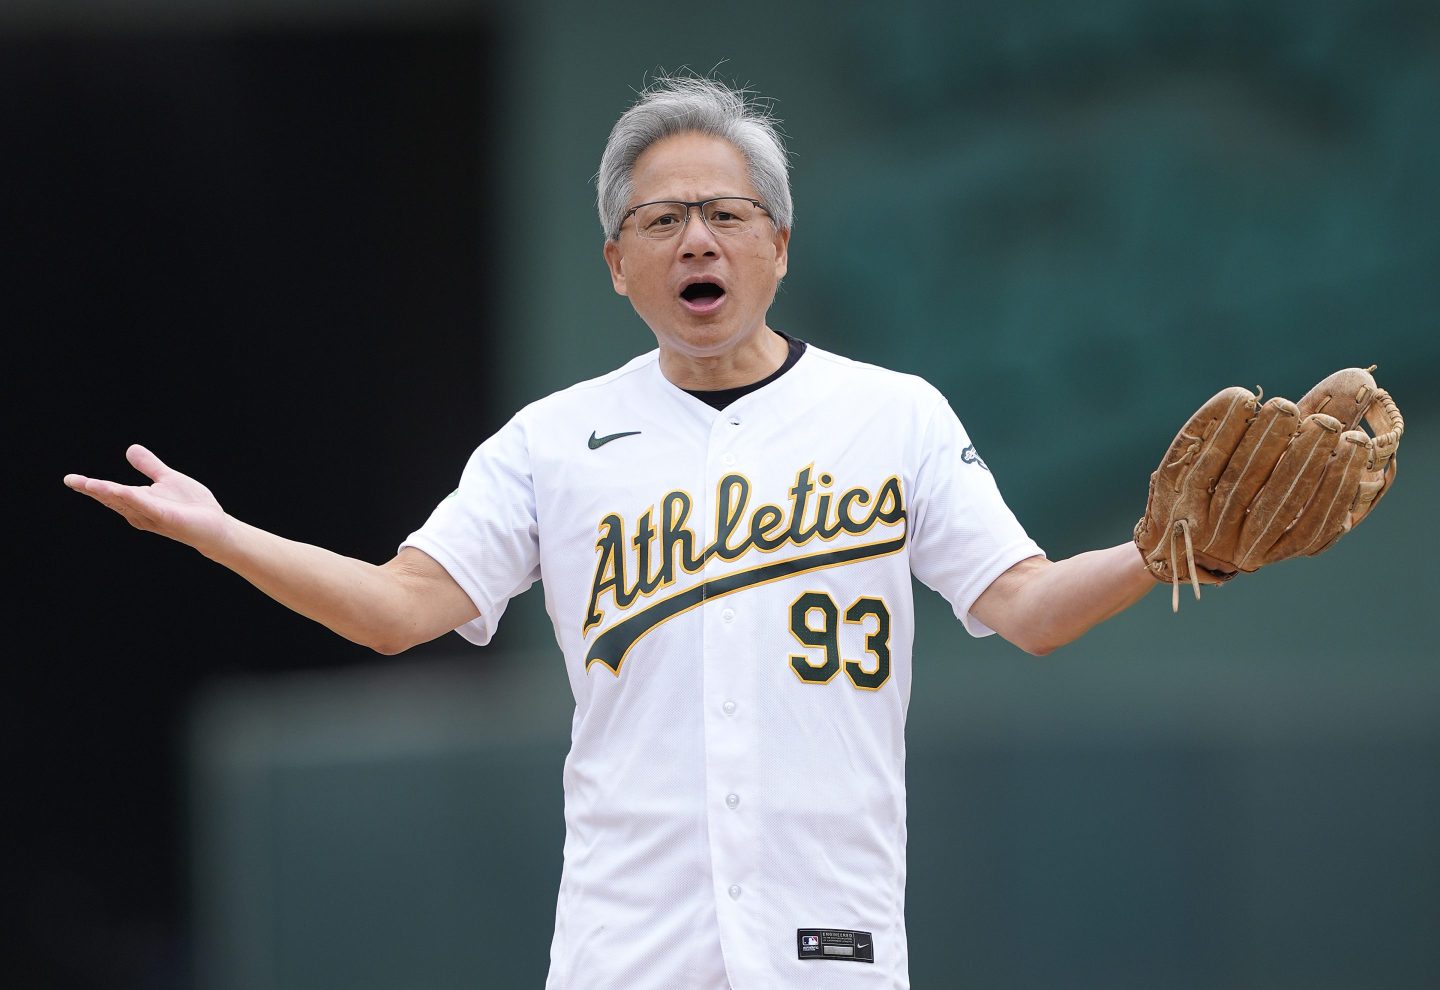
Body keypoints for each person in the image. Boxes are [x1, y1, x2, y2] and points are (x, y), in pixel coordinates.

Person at [65, 76, 1176, 989]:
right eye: (662, 219)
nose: (699, 239)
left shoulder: (895, 416)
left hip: (829, 949)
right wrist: (222, 534)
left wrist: (1167, 552)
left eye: (727, 214)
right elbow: (398, 609)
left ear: (779, 245)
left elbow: (1026, 609)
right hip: (627, 957)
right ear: (615, 262)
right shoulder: (553, 442)